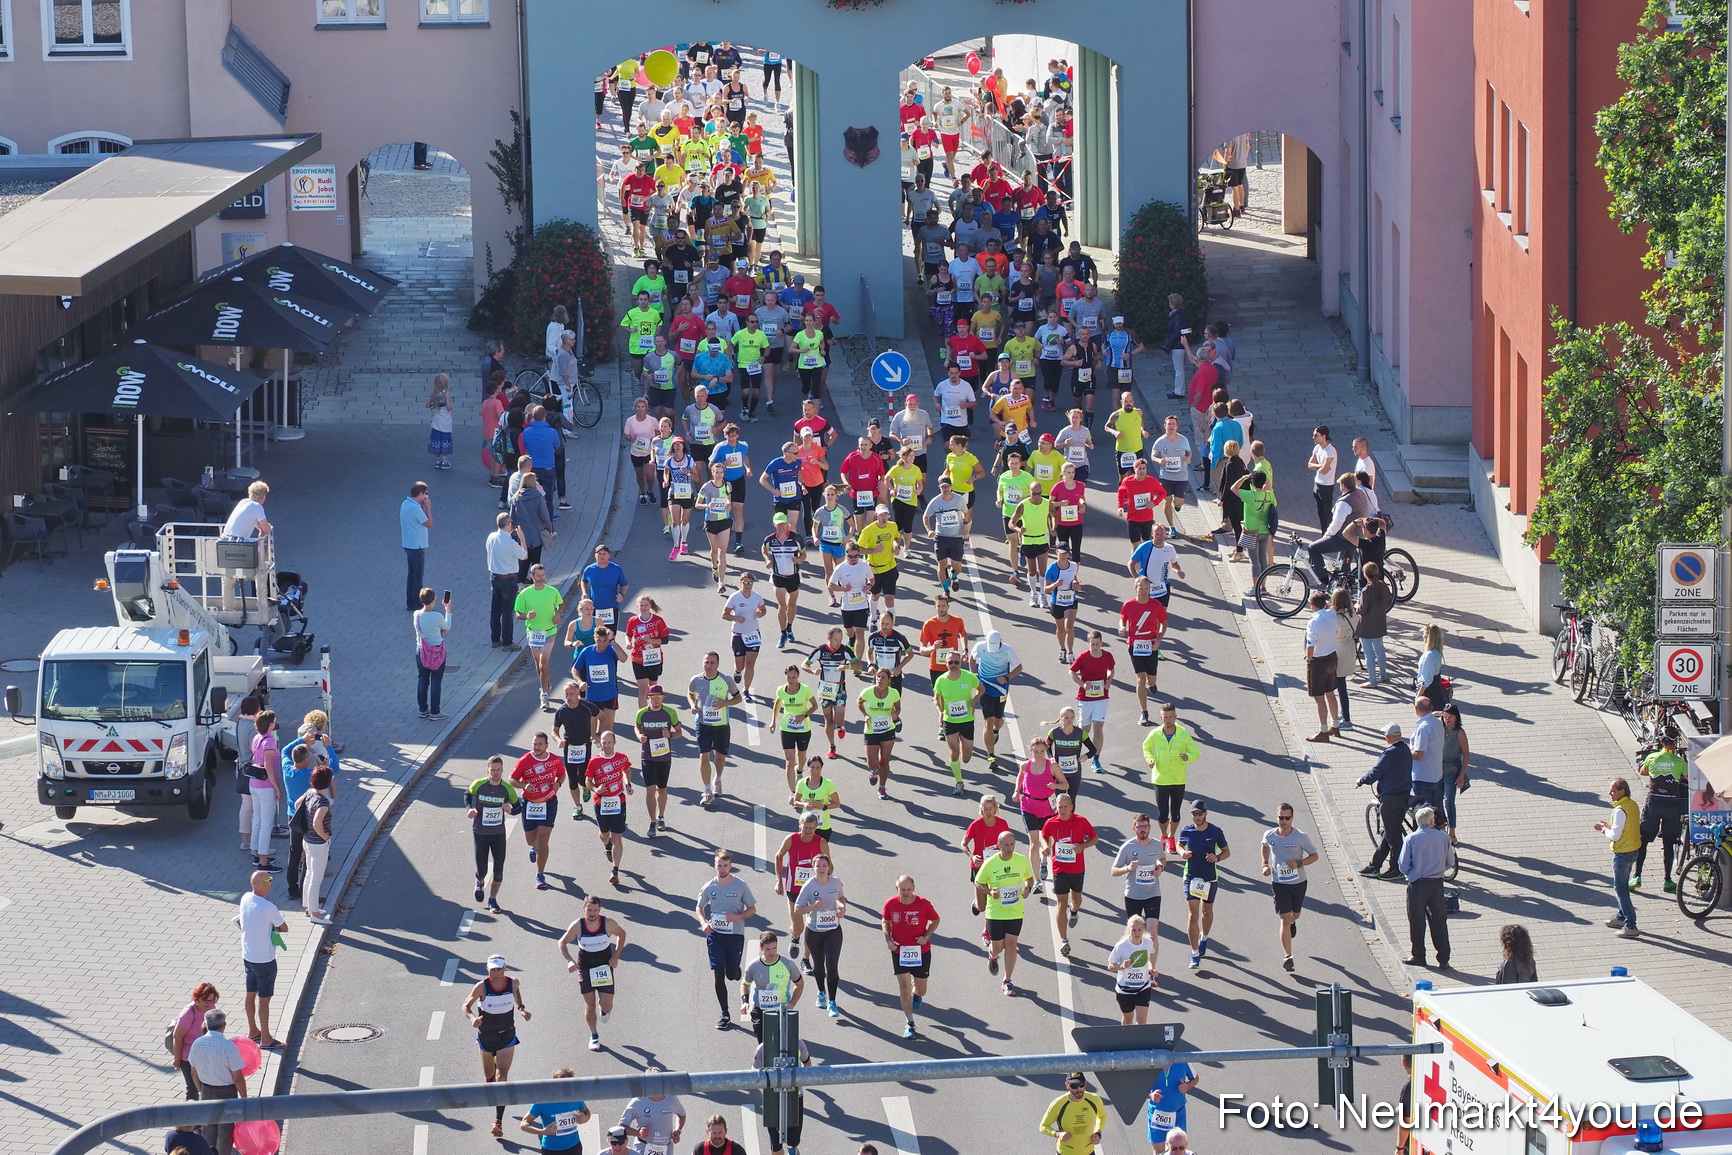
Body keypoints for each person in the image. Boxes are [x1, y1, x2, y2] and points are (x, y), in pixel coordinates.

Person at [459, 956, 530, 1138]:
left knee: (502, 1077)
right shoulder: (481, 987)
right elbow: (465, 1006)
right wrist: (473, 1019)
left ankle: (498, 1121)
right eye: (492, 970)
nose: (495, 973)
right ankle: (493, 1073)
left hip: (507, 1035)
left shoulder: (513, 983)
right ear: (487, 970)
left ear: (505, 968)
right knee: (489, 1075)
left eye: (498, 969)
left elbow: (517, 992)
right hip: (486, 1037)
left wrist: (521, 1008)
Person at [697, 849, 758, 1029]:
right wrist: (703, 923)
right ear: (714, 865)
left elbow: (752, 908)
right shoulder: (709, 886)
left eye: (725, 865)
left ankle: (736, 970)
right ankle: (725, 1013)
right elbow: (699, 907)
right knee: (718, 974)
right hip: (716, 936)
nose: (722, 869)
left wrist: (738, 917)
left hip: (735, 936)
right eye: (719, 865)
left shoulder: (740, 885)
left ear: (730, 866)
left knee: (731, 974)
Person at [558, 896, 628, 1052]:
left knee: (606, 1006)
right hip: (585, 968)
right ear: (584, 909)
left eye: (595, 910)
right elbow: (561, 943)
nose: (592, 913)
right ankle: (594, 1036)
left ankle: (604, 1010)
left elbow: (622, 935)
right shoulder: (577, 925)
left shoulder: (608, 923)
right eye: (589, 909)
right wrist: (569, 960)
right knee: (589, 1005)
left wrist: (616, 955)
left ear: (599, 910)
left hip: (604, 967)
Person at [974, 829, 1035, 996]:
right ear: (999, 845)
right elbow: (978, 882)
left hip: (1015, 911)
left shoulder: (1021, 861)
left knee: (1011, 944)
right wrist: (989, 892)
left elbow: (1029, 878)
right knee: (997, 947)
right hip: (996, 912)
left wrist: (1027, 888)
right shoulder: (991, 863)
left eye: (1012, 844)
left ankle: (1007, 980)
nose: (1009, 848)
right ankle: (992, 956)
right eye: (1006, 845)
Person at [1260, 803, 1319, 972]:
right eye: (1281, 817)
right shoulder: (1270, 835)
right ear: (1276, 817)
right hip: (1279, 884)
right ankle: (1288, 957)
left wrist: (1298, 863)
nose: (1283, 821)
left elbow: (1314, 856)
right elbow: (1264, 846)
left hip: (1298, 883)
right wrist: (1265, 864)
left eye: (1287, 818)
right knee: (1283, 919)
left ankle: (1293, 921)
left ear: (1292, 819)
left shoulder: (1300, 837)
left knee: (1295, 915)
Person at [881, 874, 940, 1039]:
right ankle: (910, 1023)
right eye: (902, 890)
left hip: (920, 952)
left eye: (908, 890)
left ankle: (917, 993)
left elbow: (935, 920)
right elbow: (885, 921)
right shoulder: (891, 904)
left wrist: (926, 937)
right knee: (904, 989)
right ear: (897, 889)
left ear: (913, 888)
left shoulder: (923, 904)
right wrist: (888, 939)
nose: (905, 893)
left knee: (921, 990)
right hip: (899, 951)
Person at [234, 868, 287, 1053]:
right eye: (269, 880)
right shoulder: (268, 907)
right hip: (265, 960)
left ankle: (253, 1031)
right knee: (264, 1000)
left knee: (250, 993)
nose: (271, 882)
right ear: (264, 884)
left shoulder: (245, 898)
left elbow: (241, 920)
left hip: (248, 956)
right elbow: (284, 928)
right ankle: (266, 1038)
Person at [1042, 793, 1099, 957]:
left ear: (1071, 807)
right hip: (1059, 868)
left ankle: (1074, 911)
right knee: (1061, 902)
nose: (1062, 810)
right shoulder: (1051, 823)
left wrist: (1082, 846)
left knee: (1077, 900)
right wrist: (1046, 846)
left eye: (1065, 807)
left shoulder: (1081, 821)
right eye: (1059, 807)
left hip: (1077, 868)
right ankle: (1064, 940)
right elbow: (1044, 835)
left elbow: (1095, 838)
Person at [792, 852, 847, 1017]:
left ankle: (832, 1002)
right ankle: (821, 992)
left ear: (829, 867)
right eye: (818, 866)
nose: (821, 869)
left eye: (824, 865)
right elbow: (797, 909)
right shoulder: (809, 886)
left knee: (832, 966)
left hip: (833, 930)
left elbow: (841, 897)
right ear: (813, 868)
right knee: (819, 965)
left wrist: (842, 908)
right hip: (814, 932)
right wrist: (813, 907)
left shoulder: (836, 882)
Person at [1398, 807, 1456, 965]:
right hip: (1436, 884)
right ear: (1432, 821)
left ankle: (1418, 955)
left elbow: (1402, 865)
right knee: (1439, 920)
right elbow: (1450, 862)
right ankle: (1444, 958)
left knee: (1417, 920)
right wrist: (1438, 869)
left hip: (1417, 884)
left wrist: (1412, 872)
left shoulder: (1411, 839)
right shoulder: (1443, 837)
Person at [511, 732, 568, 891]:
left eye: (540, 744)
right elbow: (512, 779)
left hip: (548, 803)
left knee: (543, 839)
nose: (536, 747)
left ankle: (540, 874)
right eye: (534, 744)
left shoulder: (554, 760)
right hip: (530, 803)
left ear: (546, 745)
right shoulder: (525, 760)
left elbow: (562, 774)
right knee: (531, 840)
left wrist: (558, 784)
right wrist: (523, 786)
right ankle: (534, 848)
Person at [1176, 802, 1230, 969]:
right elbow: (1179, 844)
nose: (1197, 817)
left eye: (1199, 814)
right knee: (1193, 915)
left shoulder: (1215, 831)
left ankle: (1204, 938)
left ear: (1205, 814)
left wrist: (1218, 858)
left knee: (1207, 911)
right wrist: (1182, 852)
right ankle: (1194, 954)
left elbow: (1226, 851)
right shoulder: (1187, 830)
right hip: (1191, 877)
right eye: (1194, 814)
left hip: (1209, 878)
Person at [186, 1008, 247, 1154]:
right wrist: (244, 1099)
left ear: (205, 1024)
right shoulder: (229, 1047)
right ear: (224, 1025)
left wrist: (201, 1090)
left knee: (208, 1129)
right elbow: (237, 1077)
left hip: (206, 1090)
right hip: (227, 1092)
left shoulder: (197, 1043)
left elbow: (193, 1072)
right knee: (225, 1132)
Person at [1358, 723, 1414, 880]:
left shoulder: (1390, 753)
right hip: (1404, 796)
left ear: (1390, 736)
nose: (1385, 736)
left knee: (1394, 836)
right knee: (1390, 832)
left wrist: (1363, 780)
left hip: (1390, 798)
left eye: (1386, 734)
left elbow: (1377, 771)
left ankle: (1396, 869)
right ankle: (1374, 866)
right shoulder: (1405, 749)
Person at [1635, 732, 1688, 891]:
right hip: (1672, 806)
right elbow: (1687, 777)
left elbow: (1642, 772)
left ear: (1660, 741)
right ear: (1675, 742)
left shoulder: (1652, 758)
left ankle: (1636, 876)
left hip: (1654, 804)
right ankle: (1667, 880)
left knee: (1643, 840)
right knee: (1669, 843)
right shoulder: (1680, 762)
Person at [467, 755, 521, 913]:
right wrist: (470, 809)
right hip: (480, 833)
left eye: (498, 770)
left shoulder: (507, 789)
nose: (495, 773)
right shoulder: (478, 785)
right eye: (493, 770)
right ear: (487, 770)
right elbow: (468, 795)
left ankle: (493, 900)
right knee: (482, 870)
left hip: (498, 834)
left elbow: (518, 807)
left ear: (502, 770)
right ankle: (479, 881)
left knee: (498, 871)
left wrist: (511, 809)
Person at [690, 650, 743, 806]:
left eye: (712, 662)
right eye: (706, 662)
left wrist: (725, 703)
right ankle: (707, 791)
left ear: (718, 664)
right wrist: (693, 704)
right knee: (703, 755)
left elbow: (738, 698)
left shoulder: (726, 680)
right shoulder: (695, 680)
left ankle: (717, 779)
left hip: (721, 725)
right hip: (702, 723)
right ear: (703, 663)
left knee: (719, 756)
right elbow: (690, 693)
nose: (709, 665)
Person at [1142, 702, 1200, 843]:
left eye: (1171, 716)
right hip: (1160, 779)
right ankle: (1163, 835)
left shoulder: (1183, 734)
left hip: (1177, 779)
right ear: (1161, 718)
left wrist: (1188, 757)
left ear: (1175, 717)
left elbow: (1196, 752)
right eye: (1165, 717)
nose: (1168, 720)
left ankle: (1171, 837)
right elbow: (1146, 747)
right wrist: (1150, 759)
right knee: (1162, 814)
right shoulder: (1155, 734)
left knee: (1175, 814)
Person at [1594, 778, 1643, 940]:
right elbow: (1625, 827)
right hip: (1634, 849)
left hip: (1623, 853)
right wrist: (1609, 826)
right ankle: (1621, 917)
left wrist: (1603, 830)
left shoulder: (1620, 810)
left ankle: (1630, 925)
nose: (1610, 793)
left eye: (1613, 791)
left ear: (1622, 791)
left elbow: (1616, 835)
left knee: (1621, 889)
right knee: (1622, 886)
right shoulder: (1632, 805)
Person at [586, 732, 634, 888]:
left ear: (615, 742)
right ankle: (606, 845)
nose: (606, 746)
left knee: (617, 837)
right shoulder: (594, 762)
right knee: (604, 834)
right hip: (601, 802)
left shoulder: (621, 758)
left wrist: (627, 784)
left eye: (609, 743)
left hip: (618, 800)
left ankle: (615, 870)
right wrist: (595, 789)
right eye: (603, 743)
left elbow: (626, 770)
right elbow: (588, 781)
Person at [933, 652, 983, 797]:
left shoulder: (969, 677)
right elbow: (936, 699)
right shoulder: (941, 681)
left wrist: (974, 700)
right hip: (950, 721)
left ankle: (967, 751)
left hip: (967, 720)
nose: (953, 665)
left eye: (956, 662)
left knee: (966, 756)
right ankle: (959, 782)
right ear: (946, 664)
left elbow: (981, 689)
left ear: (961, 663)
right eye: (950, 663)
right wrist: (940, 712)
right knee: (954, 753)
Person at [1121, 579, 1170, 725]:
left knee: (1151, 680)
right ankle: (1144, 712)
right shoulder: (1129, 605)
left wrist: (1159, 639)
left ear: (1150, 589)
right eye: (1140, 588)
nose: (1143, 591)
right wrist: (1122, 628)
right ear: (1135, 588)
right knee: (1140, 678)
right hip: (1135, 646)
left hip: (1151, 646)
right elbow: (1123, 619)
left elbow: (1164, 622)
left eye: (1146, 588)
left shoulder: (1156, 605)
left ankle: (1152, 684)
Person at [515, 564, 564, 710]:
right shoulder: (524, 594)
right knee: (538, 665)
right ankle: (545, 683)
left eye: (543, 575)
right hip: (534, 633)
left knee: (544, 664)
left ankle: (544, 694)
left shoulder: (552, 591)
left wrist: (558, 614)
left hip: (549, 632)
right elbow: (518, 613)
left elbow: (560, 605)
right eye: (538, 576)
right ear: (532, 577)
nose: (541, 578)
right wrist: (527, 616)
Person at [742, 930, 805, 1040]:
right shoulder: (753, 965)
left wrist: (791, 1004)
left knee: (781, 1045)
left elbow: (799, 984)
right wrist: (745, 1002)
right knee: (764, 1046)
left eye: (774, 948)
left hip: (781, 1008)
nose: (771, 952)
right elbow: (745, 984)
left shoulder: (788, 964)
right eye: (768, 949)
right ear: (761, 947)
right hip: (760, 1009)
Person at [1068, 631, 1115, 770]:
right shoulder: (1083, 657)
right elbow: (1071, 671)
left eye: (1097, 644)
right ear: (1088, 644)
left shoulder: (1107, 656)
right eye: (1092, 644)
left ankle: (1096, 759)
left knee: (1098, 727)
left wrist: (1109, 681)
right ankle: (1074, 752)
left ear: (1101, 642)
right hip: (1086, 698)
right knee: (1085, 730)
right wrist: (1082, 684)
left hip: (1102, 697)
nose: (1095, 647)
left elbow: (1111, 670)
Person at [245, 712, 284, 874]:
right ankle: (263, 860)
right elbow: (269, 766)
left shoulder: (257, 738)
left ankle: (256, 852)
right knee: (266, 824)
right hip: (266, 786)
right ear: (269, 725)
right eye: (273, 721)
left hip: (253, 784)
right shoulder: (269, 742)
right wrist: (277, 787)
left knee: (257, 820)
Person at [295, 768, 335, 924]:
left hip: (307, 839)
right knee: (316, 879)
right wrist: (324, 835)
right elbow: (317, 822)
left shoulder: (309, 793)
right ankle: (315, 914)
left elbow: (297, 804)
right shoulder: (323, 802)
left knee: (309, 874)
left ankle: (308, 906)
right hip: (318, 844)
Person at [761, 514, 807, 647]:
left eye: (783, 524)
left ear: (788, 524)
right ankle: (782, 634)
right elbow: (763, 549)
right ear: (774, 525)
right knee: (782, 606)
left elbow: (804, 554)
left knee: (792, 604)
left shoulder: (796, 538)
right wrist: (768, 560)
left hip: (793, 576)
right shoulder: (769, 539)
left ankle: (789, 628)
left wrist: (799, 560)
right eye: (778, 524)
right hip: (778, 576)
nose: (781, 527)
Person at [1302, 592, 1342, 742]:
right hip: (1332, 657)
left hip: (1318, 662)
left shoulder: (1314, 622)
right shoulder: (1332, 614)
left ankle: (1323, 730)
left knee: (1319, 698)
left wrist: (1308, 660)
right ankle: (1335, 725)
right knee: (1330, 693)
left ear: (1312, 605)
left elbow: (1310, 644)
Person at [922, 476, 972, 595]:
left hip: (956, 537)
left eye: (947, 486)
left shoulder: (959, 500)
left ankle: (953, 575)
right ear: (939, 487)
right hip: (941, 537)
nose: (945, 489)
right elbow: (925, 516)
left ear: (951, 487)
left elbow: (966, 513)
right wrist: (929, 530)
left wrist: (965, 524)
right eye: (943, 487)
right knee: (942, 563)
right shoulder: (935, 501)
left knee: (957, 566)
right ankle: (946, 590)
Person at [858, 667, 902, 798]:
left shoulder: (894, 693)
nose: (880, 680)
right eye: (878, 677)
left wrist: (895, 714)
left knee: (885, 760)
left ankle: (882, 788)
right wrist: (865, 715)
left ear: (889, 681)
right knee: (872, 762)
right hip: (871, 730)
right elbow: (859, 702)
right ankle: (873, 771)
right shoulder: (868, 692)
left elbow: (898, 707)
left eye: (883, 677)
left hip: (887, 729)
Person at [521, 1068, 590, 1152]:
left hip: (574, 1146)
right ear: (554, 1084)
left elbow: (586, 1111)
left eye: (569, 1085)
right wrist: (543, 1131)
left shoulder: (575, 1098)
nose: (566, 1089)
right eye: (563, 1085)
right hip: (551, 1149)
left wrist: (585, 1119)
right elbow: (524, 1124)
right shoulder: (542, 1101)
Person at [485, 513, 528, 647]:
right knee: (508, 612)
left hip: (494, 577)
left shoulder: (491, 537)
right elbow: (524, 555)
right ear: (508, 524)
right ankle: (508, 642)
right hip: (508, 580)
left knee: (495, 610)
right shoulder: (510, 543)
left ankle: (495, 639)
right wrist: (522, 539)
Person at [172, 983, 220, 1100]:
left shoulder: (211, 1007)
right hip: (188, 1057)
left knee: (207, 1086)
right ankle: (190, 1115)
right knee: (192, 1088)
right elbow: (177, 1037)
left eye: (212, 1000)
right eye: (206, 1001)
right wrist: (177, 1060)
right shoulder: (188, 1014)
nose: (209, 1004)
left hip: (205, 1053)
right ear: (197, 999)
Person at [1106, 915, 1159, 1022]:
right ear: (1128, 930)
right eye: (1133, 930)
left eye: (1139, 930)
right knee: (1128, 1019)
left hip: (1143, 987)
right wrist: (1121, 966)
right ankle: (1126, 1037)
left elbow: (1151, 954)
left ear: (1143, 930)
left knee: (1141, 1021)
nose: (1137, 933)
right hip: (1125, 990)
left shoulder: (1148, 943)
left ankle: (1139, 1039)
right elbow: (1110, 966)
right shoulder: (1121, 946)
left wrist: (1151, 968)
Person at [411, 587, 452, 721]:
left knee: (422, 679)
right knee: (436, 681)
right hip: (437, 651)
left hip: (421, 651)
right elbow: (447, 627)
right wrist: (448, 610)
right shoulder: (437, 616)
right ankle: (435, 712)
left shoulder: (416, 614)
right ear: (433, 600)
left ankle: (423, 710)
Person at [1040, 1074, 1106, 1155]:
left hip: (1088, 1152)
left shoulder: (1094, 1099)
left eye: (1081, 1085)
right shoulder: (1058, 1104)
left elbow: (1102, 1115)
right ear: (1067, 1085)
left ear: (1085, 1083)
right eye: (1074, 1086)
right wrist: (1058, 1134)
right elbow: (1043, 1126)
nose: (1078, 1089)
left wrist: (1098, 1132)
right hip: (1065, 1152)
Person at [619, 1075, 687, 1154]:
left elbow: (682, 1115)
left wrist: (678, 1131)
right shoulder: (637, 1101)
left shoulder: (671, 1099)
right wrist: (637, 1133)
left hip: (666, 1148)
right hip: (643, 1147)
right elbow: (621, 1127)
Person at [1146, 1064, 1199, 1155]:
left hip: (1178, 1113)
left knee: (1178, 1149)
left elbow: (1195, 1078)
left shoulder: (1183, 1060)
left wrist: (1187, 1086)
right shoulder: (1148, 1062)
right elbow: (1136, 1087)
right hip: (1157, 1113)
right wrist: (1150, 1096)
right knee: (1159, 1152)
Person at [1355, 561, 1394, 685]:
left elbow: (1362, 609)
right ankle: (1383, 675)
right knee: (1380, 651)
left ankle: (1372, 680)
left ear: (1365, 575)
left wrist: (1356, 606)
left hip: (1366, 627)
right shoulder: (1383, 586)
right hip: (1379, 623)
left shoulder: (1366, 591)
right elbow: (1388, 601)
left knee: (1369, 654)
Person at [1410, 695, 1446, 814]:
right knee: (1438, 814)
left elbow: (1419, 755)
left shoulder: (1423, 728)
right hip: (1437, 774)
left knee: (1423, 815)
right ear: (1431, 707)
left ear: (1416, 708)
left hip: (1423, 778)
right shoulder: (1437, 723)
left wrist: (1405, 753)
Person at [1415, 622, 1449, 704]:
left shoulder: (1429, 656)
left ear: (1427, 636)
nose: (1422, 635)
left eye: (1423, 633)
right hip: (1436, 691)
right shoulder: (1437, 651)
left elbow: (1426, 681)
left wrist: (1418, 697)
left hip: (1430, 694)